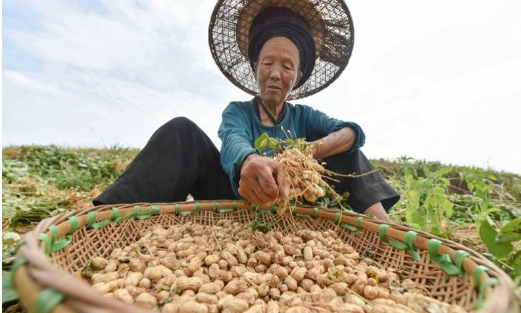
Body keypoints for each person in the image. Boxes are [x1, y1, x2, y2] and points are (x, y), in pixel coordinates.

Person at [94, 2, 399, 222]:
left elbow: (352, 131)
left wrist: (309, 151)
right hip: (231, 196)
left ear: (297, 77)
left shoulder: (304, 117)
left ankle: (385, 230)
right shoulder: (237, 112)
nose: (276, 73)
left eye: (287, 66)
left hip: (289, 203)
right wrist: (250, 161)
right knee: (181, 131)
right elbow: (234, 141)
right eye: (267, 63)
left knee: (347, 150)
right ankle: (106, 220)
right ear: (256, 68)